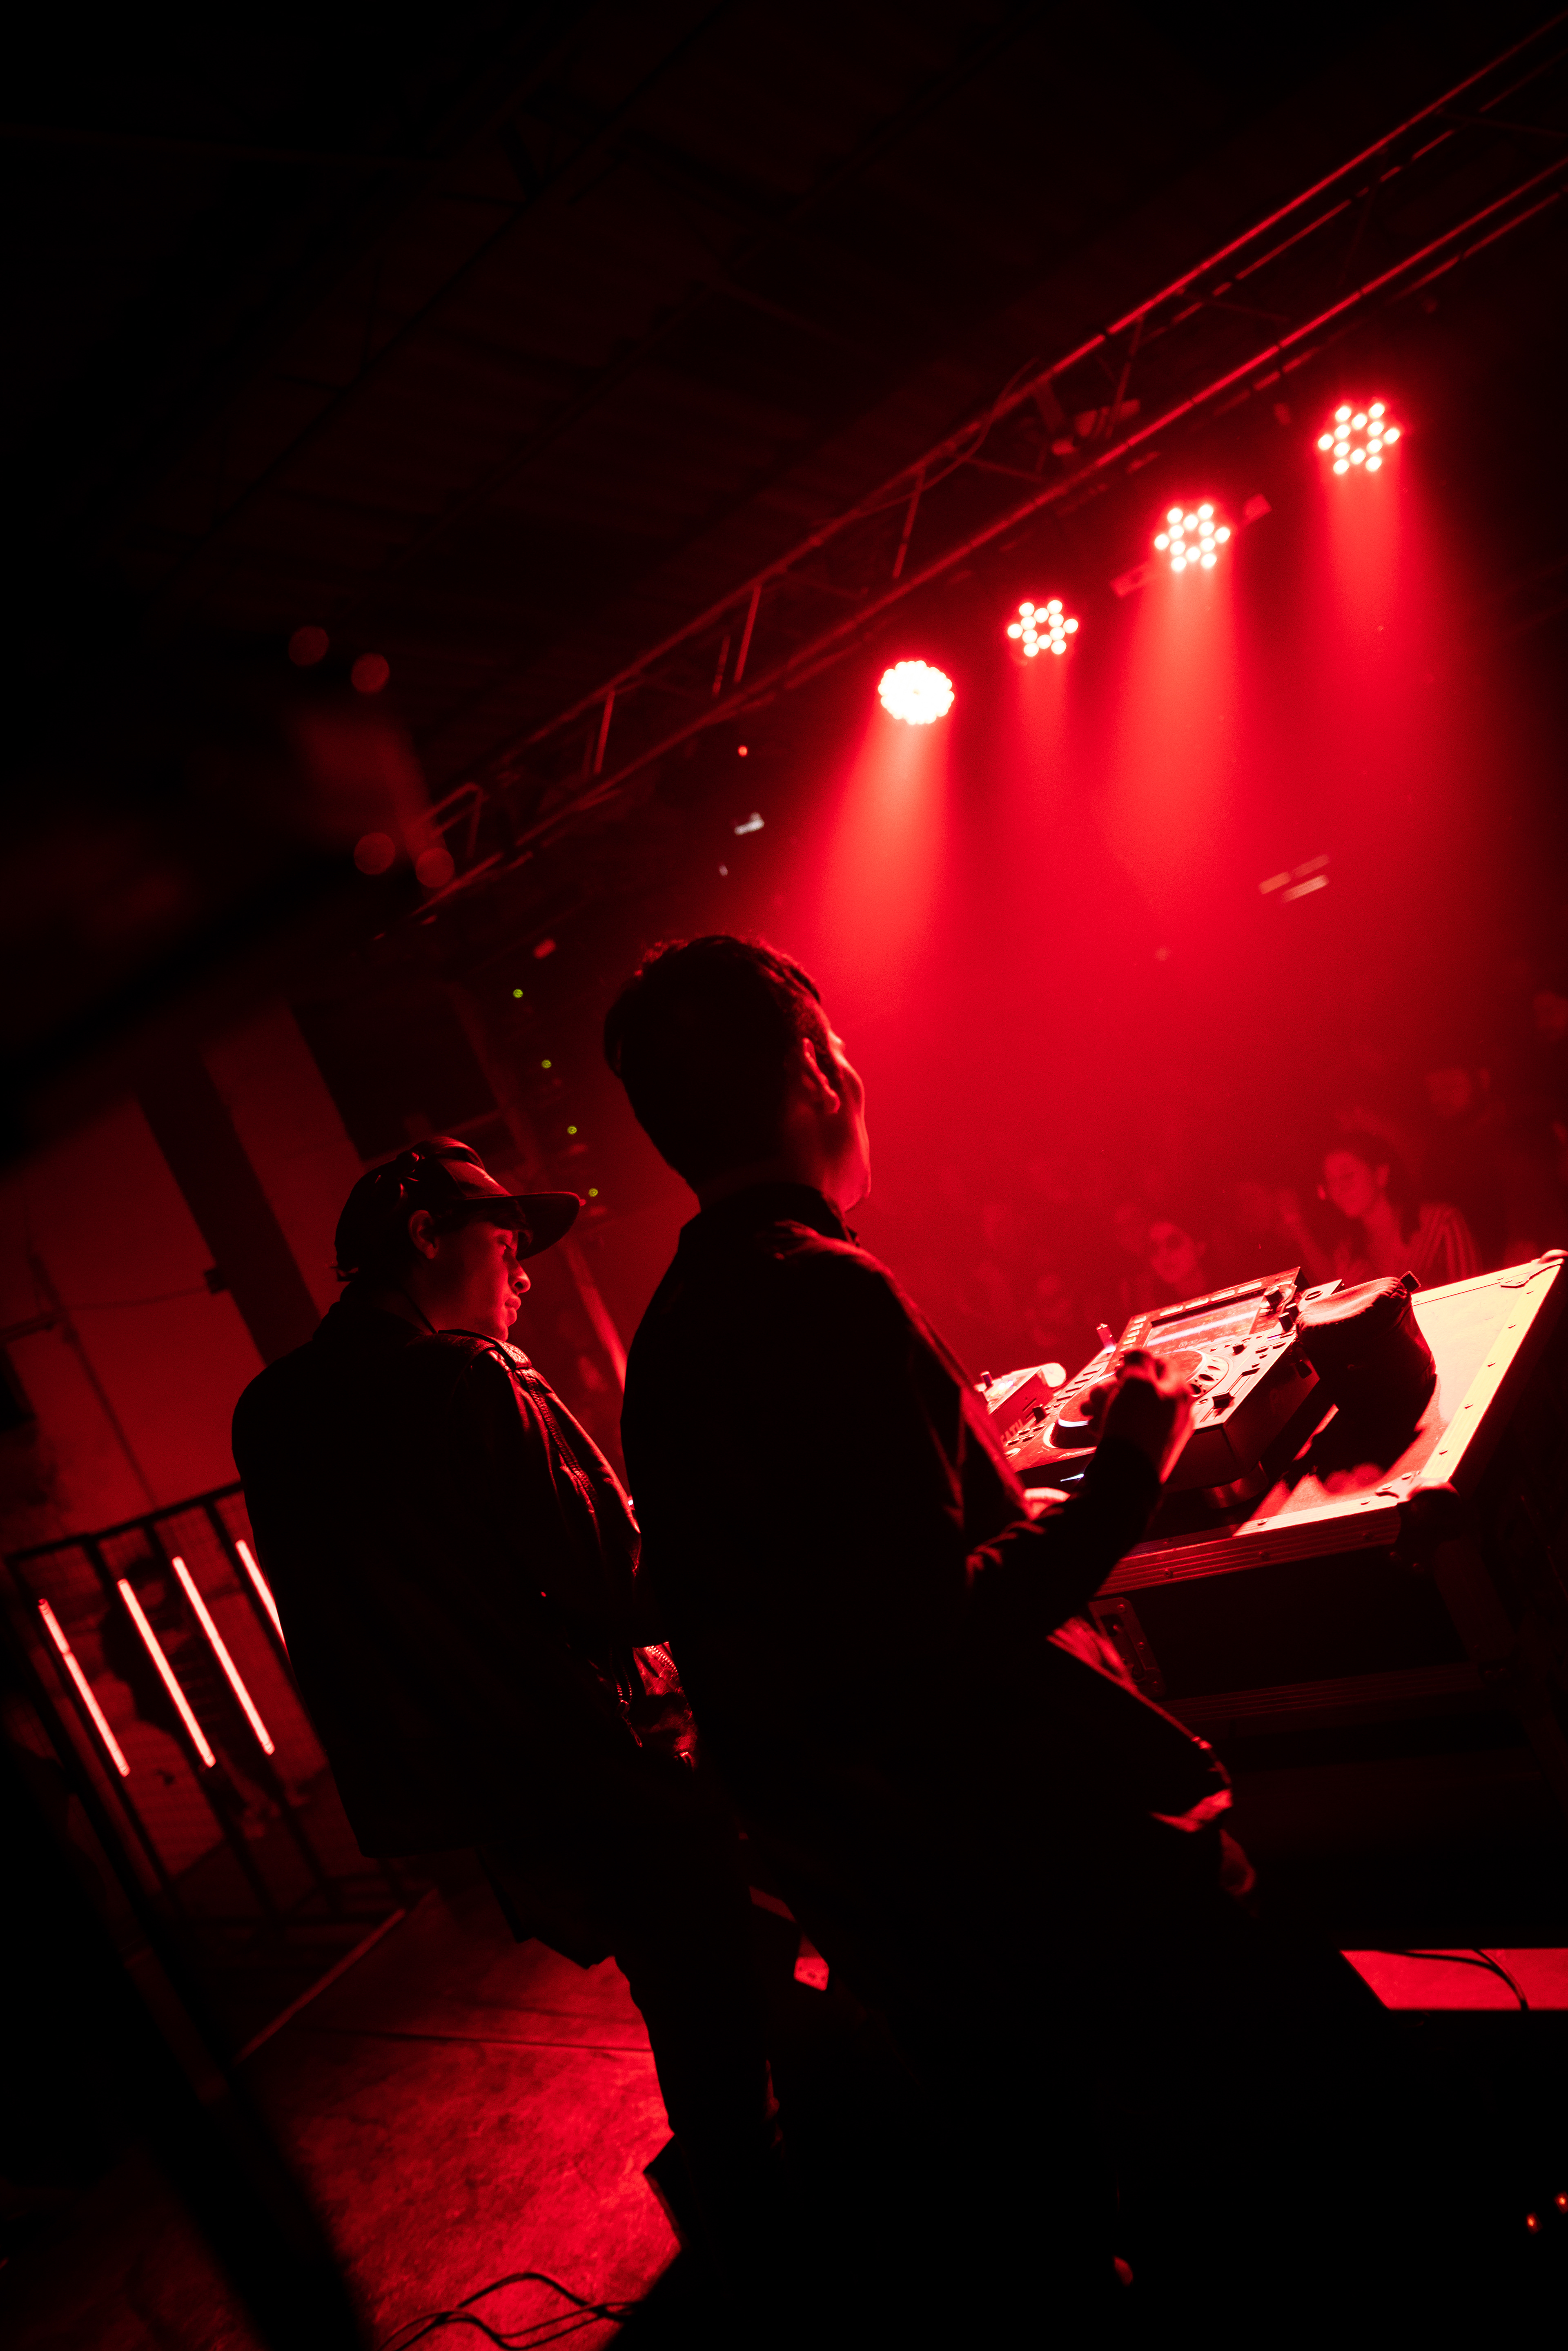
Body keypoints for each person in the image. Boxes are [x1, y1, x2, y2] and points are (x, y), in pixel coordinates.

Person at [602, 936, 1406, 2325]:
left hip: (880, 1887)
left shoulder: (667, 1337)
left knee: (1052, 2206)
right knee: (1322, 2090)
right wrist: (1132, 1462)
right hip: (1023, 1856)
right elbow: (930, 1626)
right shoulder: (827, 1287)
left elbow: (817, 1597)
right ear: (817, 1072)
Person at [230, 1139, 779, 2261]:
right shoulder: (472, 1379)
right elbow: (618, 1589)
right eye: (503, 1242)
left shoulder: (274, 1411)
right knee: (721, 1987)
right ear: (425, 1237)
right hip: (600, 1758)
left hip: (488, 1789)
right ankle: (770, 2237)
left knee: (694, 1983)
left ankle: (751, 2212)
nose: (523, 1272)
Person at [1282, 1129, 1480, 1290]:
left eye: (1348, 1176)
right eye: (1331, 1181)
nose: (1339, 1190)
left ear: (1381, 1175)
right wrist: (1350, 1296)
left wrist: (1380, 1291)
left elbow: (1476, 1296)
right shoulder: (1348, 1255)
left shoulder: (1441, 1224)